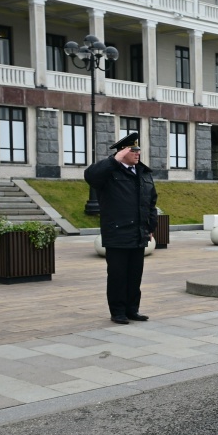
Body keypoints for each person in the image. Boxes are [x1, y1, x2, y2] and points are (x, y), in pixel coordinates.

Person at [84, 132, 158, 325]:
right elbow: (90, 176)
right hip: (117, 234)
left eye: (138, 150)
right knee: (117, 276)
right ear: (122, 152)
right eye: (133, 150)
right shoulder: (109, 173)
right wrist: (114, 160)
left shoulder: (143, 173)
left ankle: (132, 310)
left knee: (135, 275)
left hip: (138, 234)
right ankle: (117, 312)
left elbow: (151, 203)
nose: (137, 153)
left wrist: (150, 226)